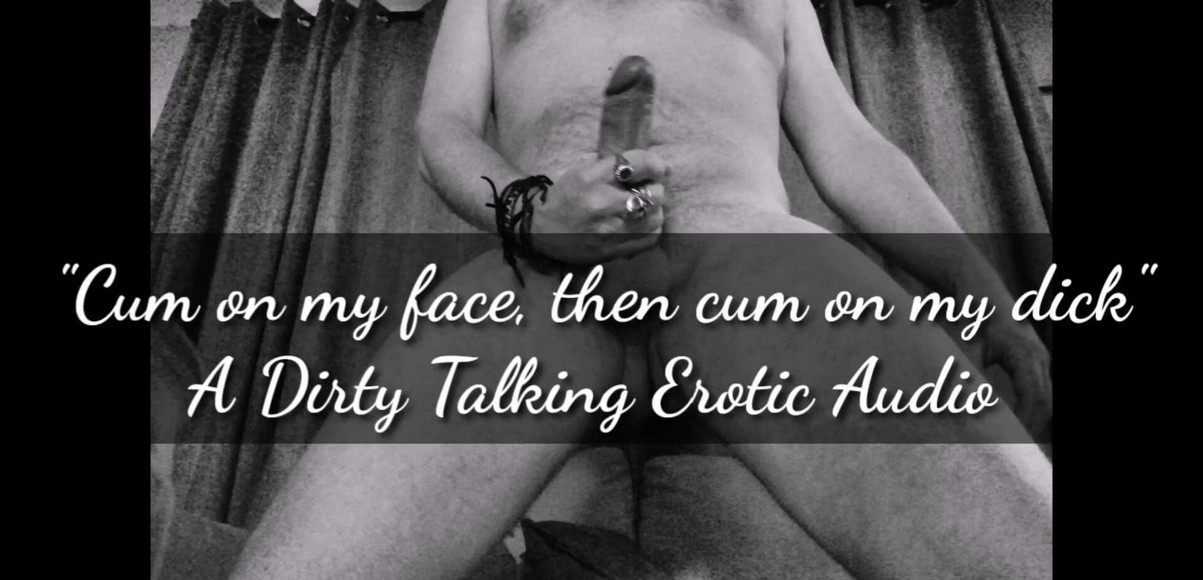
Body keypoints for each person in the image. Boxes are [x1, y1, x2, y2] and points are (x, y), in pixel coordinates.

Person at [233, 0, 1053, 578]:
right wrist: (531, 213)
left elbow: (849, 145)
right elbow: (439, 130)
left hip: (742, 248)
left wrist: (985, 295)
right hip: (546, 268)